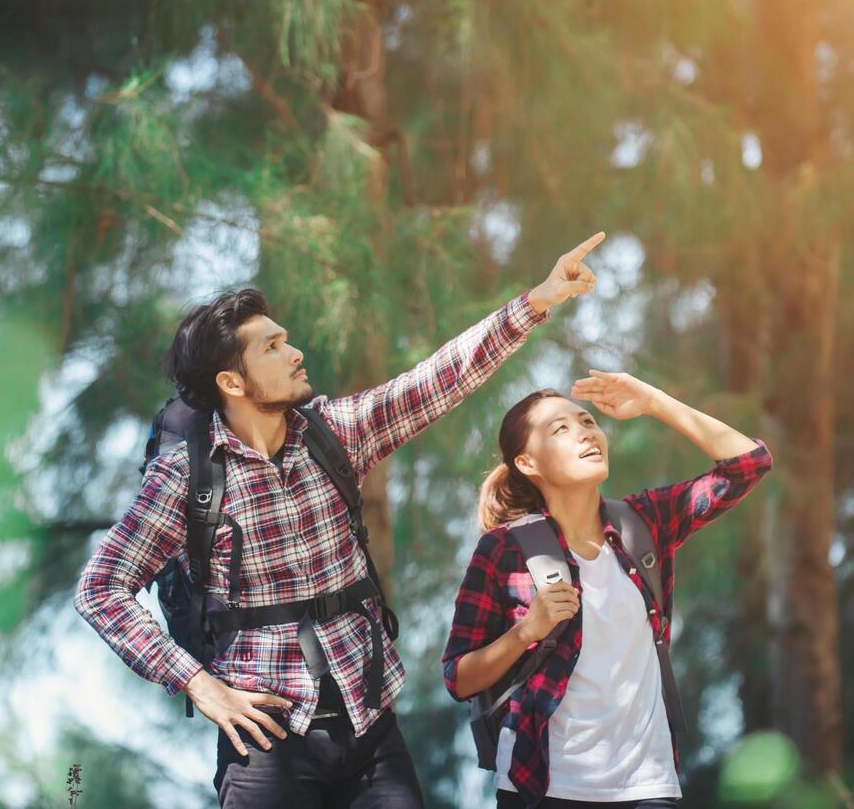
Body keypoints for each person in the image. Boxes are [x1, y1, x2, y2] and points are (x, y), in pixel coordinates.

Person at [73, 232, 606, 809]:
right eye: (272, 347)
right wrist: (199, 684)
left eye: (286, 339)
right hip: (267, 743)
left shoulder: (334, 434)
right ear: (232, 382)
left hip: (371, 726)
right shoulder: (185, 479)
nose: (294, 351)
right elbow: (101, 589)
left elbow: (438, 380)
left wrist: (538, 302)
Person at [443, 372, 774, 807]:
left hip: (648, 784)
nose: (586, 434)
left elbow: (748, 463)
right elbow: (459, 678)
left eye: (587, 422)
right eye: (561, 429)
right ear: (528, 463)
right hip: (543, 785)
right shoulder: (505, 548)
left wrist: (654, 400)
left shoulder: (643, 522)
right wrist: (526, 631)